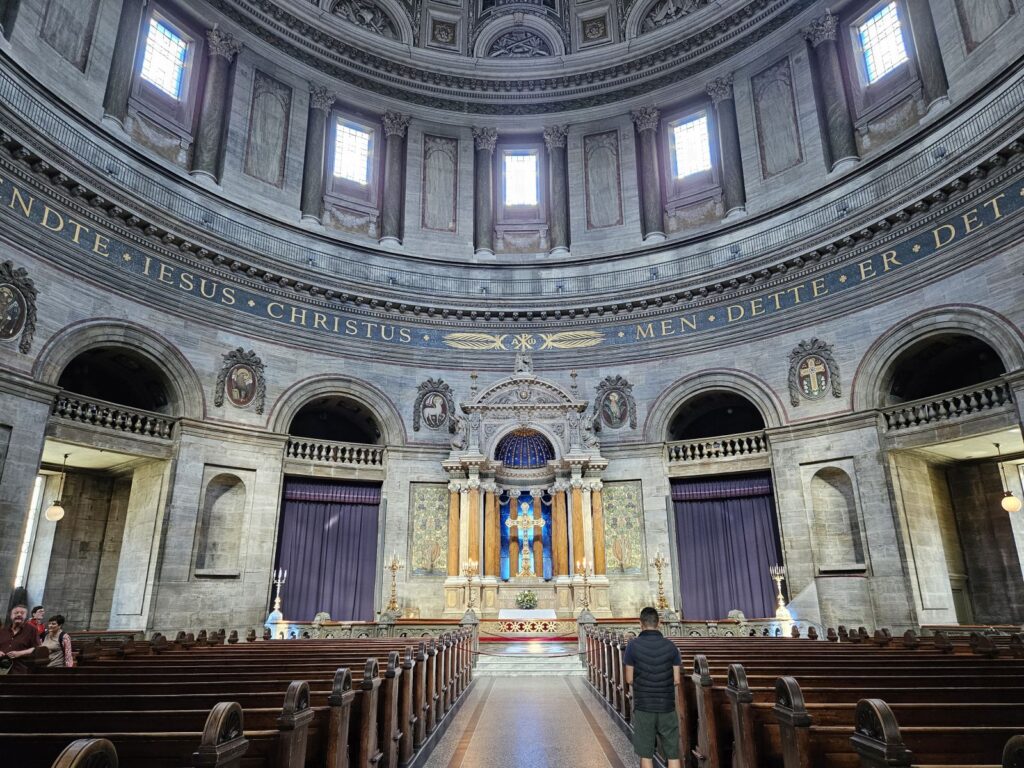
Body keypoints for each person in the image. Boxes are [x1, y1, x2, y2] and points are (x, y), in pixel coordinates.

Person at [623, 606, 682, 768]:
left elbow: (629, 679)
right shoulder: (671, 647)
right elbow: (676, 679)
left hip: (644, 706)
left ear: (640, 624)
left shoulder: (632, 646)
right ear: (659, 623)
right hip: (667, 705)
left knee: (646, 754)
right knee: (673, 754)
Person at [0, 604, 41, 674]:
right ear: (11, 615)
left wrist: (20, 653)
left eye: (22, 613)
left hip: (19, 669)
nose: (19, 615)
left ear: (26, 616)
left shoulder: (32, 630)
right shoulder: (3, 630)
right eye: (16, 613)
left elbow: (36, 647)